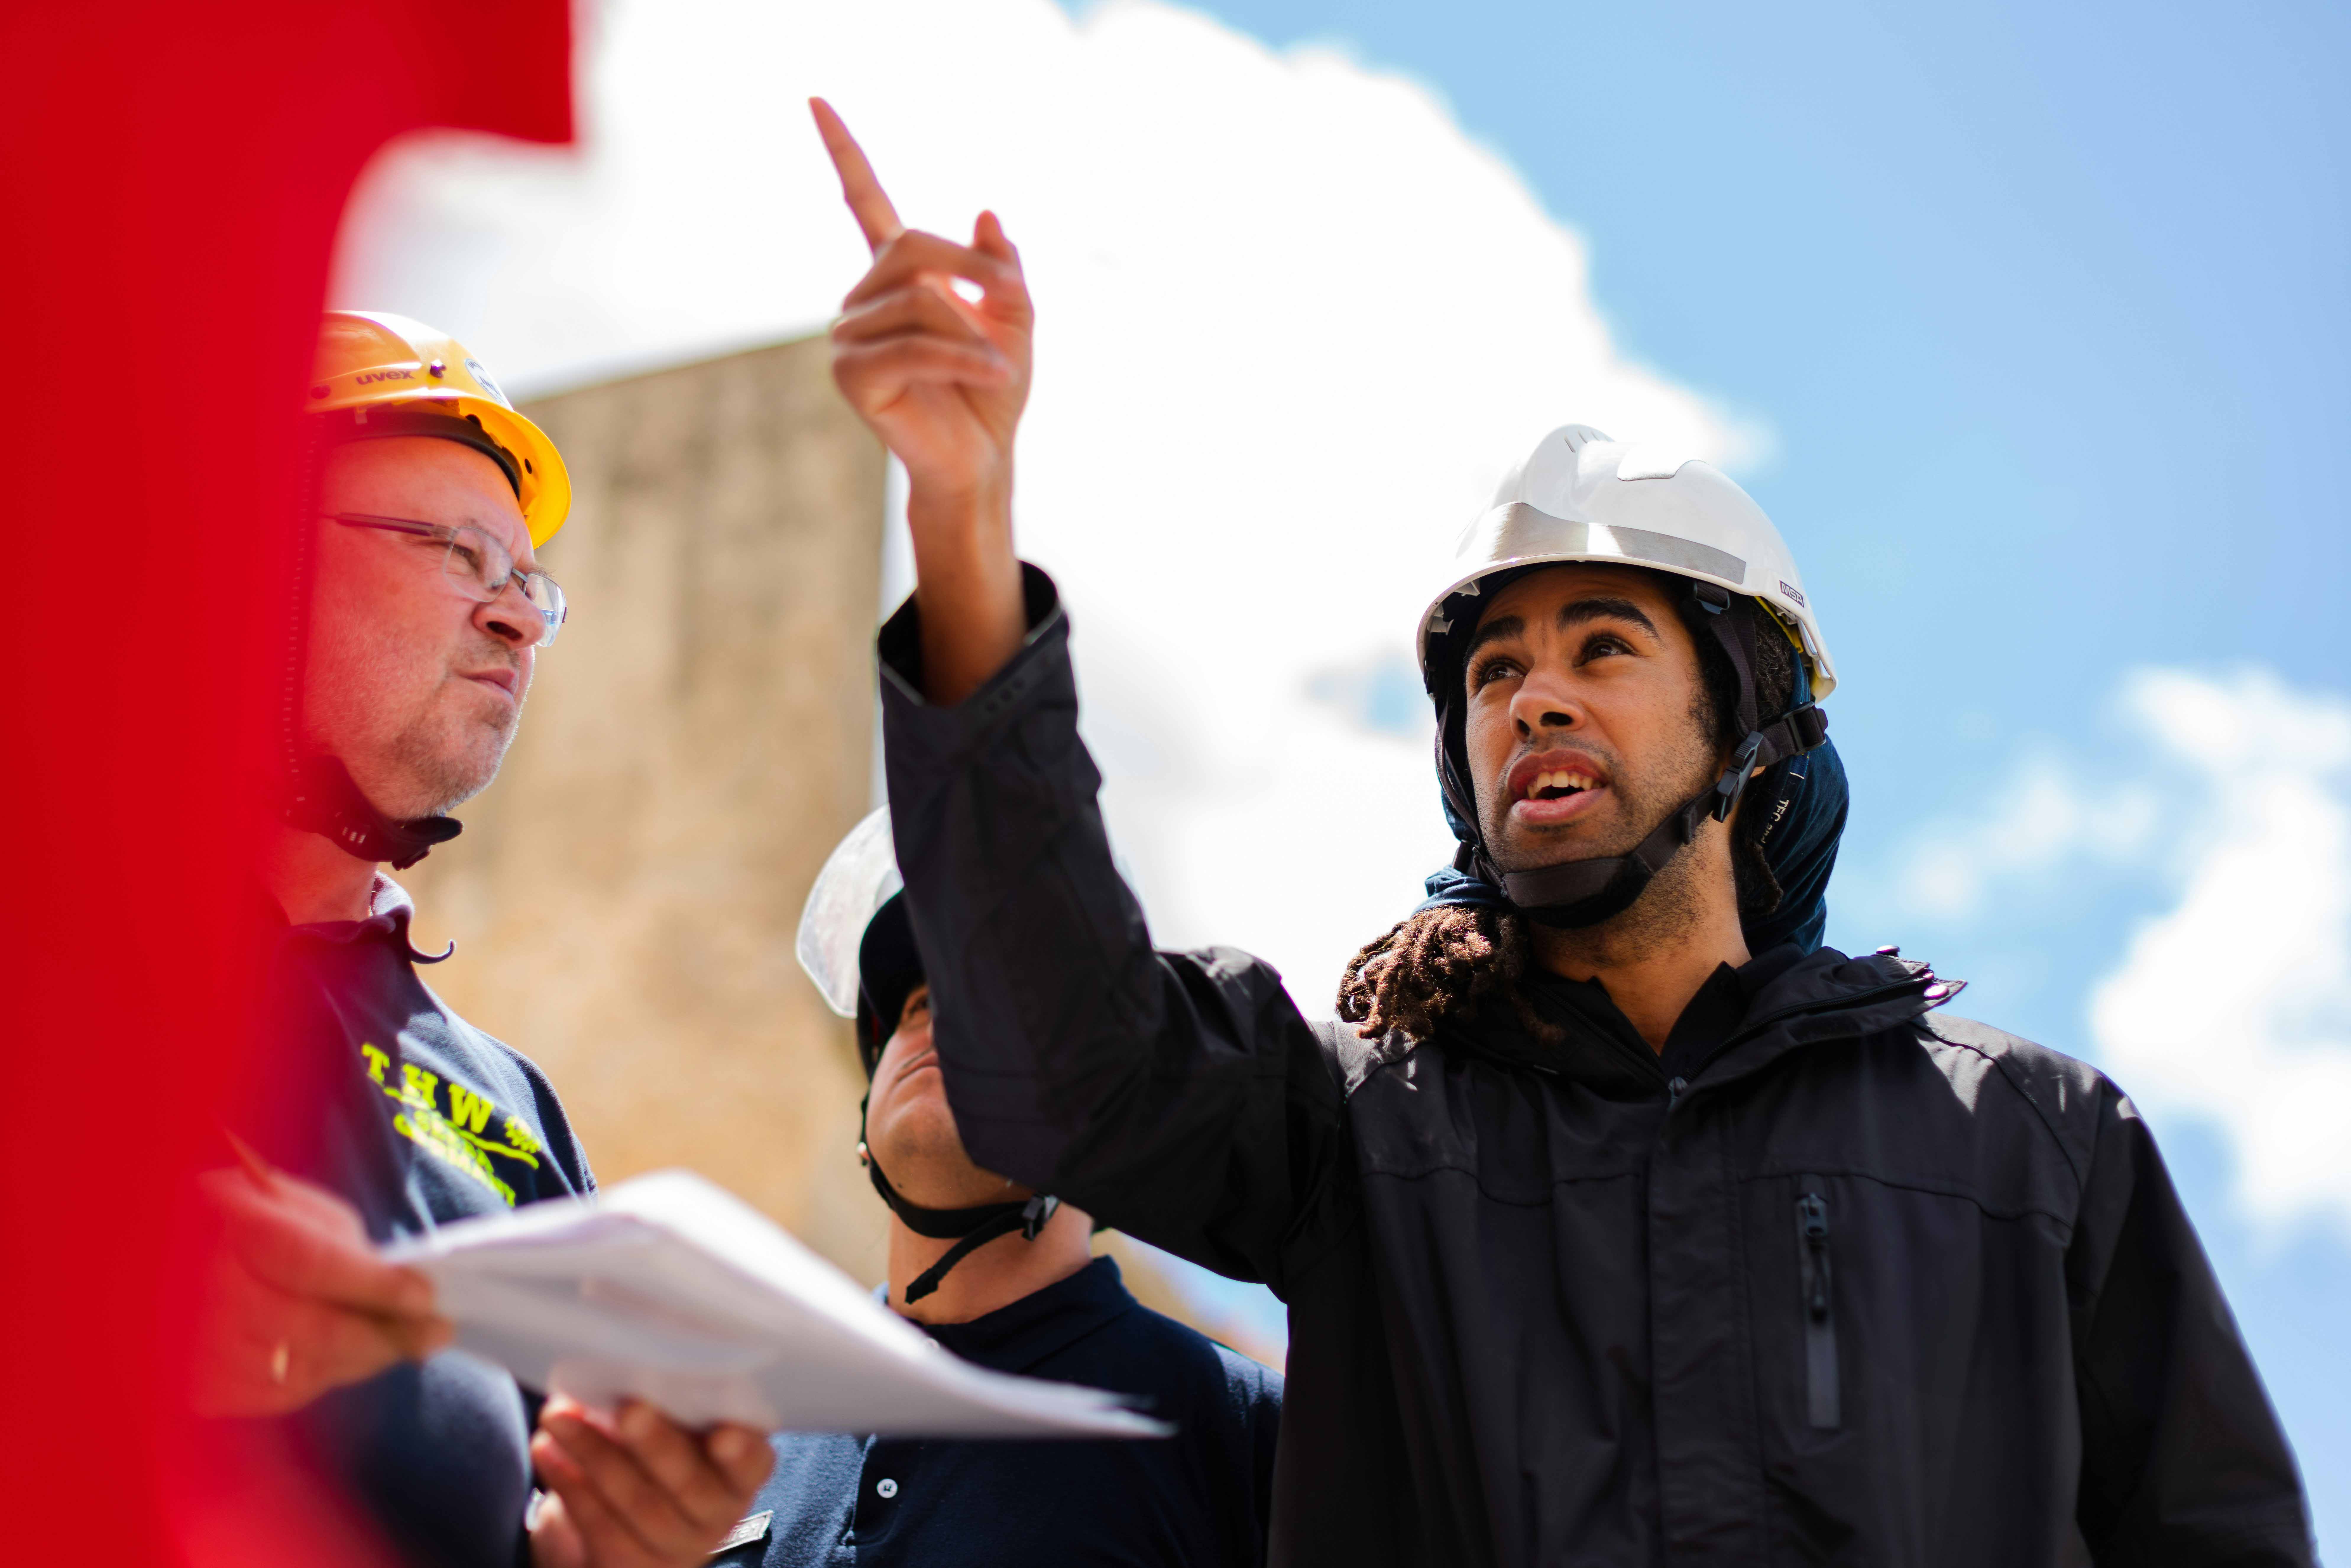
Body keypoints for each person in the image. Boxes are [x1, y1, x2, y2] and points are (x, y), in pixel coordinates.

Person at [808, 101, 2318, 1568]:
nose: (1534, 698)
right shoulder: (1353, 1127)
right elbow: (1054, 1027)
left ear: (1750, 723)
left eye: (1603, 647)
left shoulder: (2031, 1143)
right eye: (1494, 671)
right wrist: (962, 505)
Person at [195, 311, 773, 1568]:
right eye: (458, 553)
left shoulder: (506, 1103)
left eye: (528, 583)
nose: (516, 621)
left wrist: (605, 1549)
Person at [713, 809, 1281, 1566]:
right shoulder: (741, 1430)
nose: (941, 1021)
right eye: (917, 1006)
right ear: (866, 1116)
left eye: (999, 1004)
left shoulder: (1241, 1433)